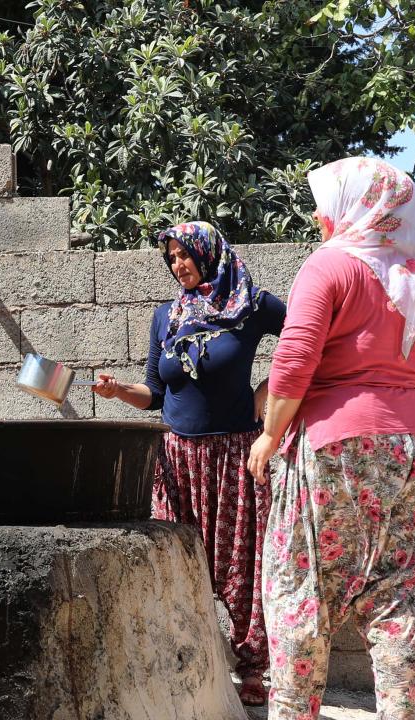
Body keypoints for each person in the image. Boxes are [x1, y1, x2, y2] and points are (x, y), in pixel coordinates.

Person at [246, 157, 415, 720]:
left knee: (300, 590)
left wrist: (270, 434)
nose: (323, 219)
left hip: (337, 450)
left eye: (328, 206)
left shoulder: (330, 266)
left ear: (355, 207)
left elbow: (295, 358)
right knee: (398, 599)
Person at [94, 220, 285, 705]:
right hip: (176, 460)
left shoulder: (250, 305)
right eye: (172, 258)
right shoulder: (166, 316)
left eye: (184, 255)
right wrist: (117, 391)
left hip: (233, 458)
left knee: (240, 568)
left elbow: (306, 339)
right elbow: (154, 394)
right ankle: (179, 663)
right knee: (175, 564)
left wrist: (266, 394)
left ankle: (251, 670)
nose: (178, 265)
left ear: (208, 253)